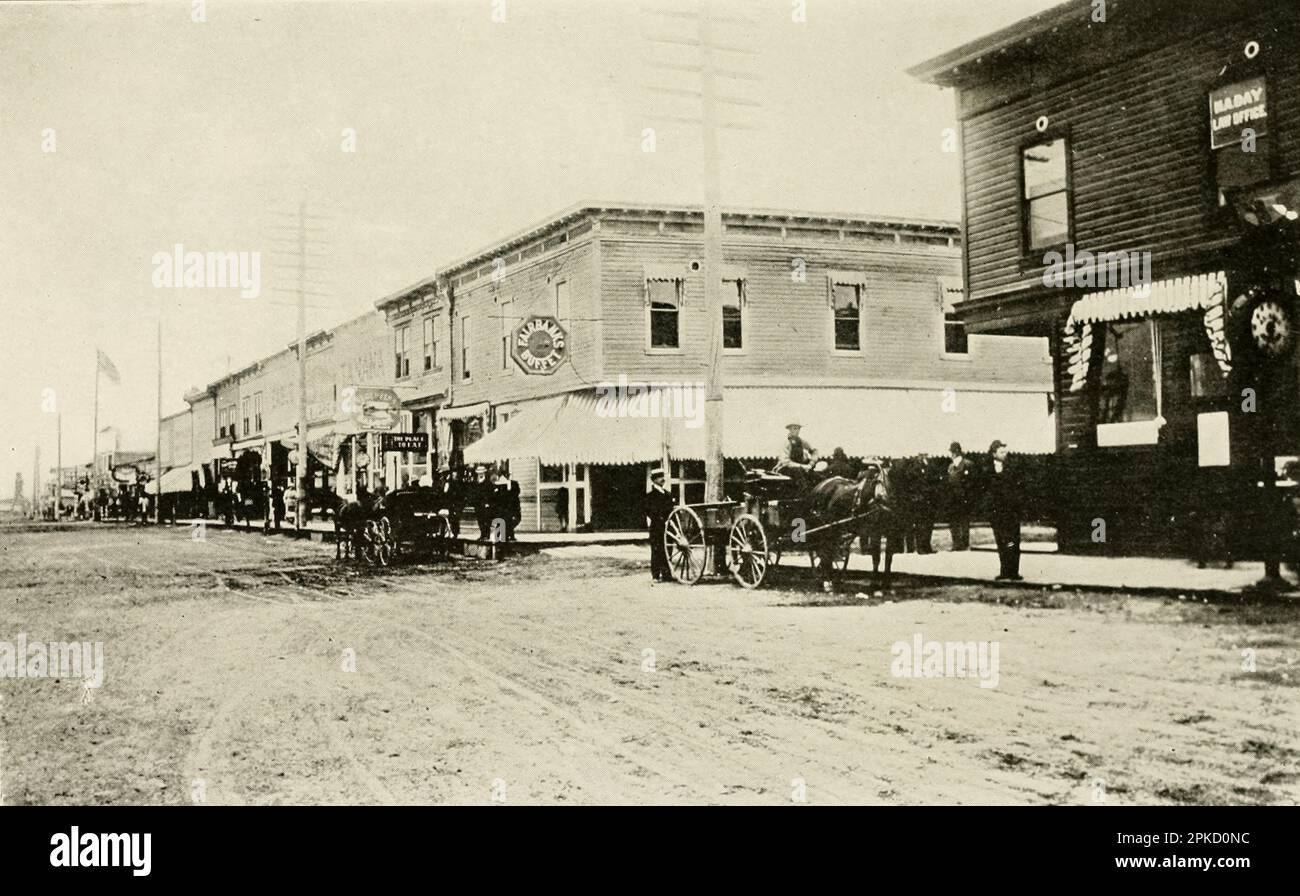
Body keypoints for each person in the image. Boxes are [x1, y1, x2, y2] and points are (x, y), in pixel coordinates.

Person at [987, 440, 1023, 581]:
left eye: (1005, 452)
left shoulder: (1012, 467)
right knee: (1001, 541)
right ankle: (1004, 571)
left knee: (1013, 541)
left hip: (1011, 512)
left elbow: (1018, 487)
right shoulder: (987, 469)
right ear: (994, 453)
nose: (1005, 454)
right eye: (1001, 452)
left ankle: (1014, 571)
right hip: (997, 512)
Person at [645, 467, 675, 582]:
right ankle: (656, 575)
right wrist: (662, 520)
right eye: (659, 477)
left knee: (667, 549)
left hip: (668, 527)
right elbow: (650, 511)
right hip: (657, 527)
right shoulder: (650, 496)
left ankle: (666, 574)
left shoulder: (668, 494)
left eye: (663, 476)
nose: (662, 479)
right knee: (657, 550)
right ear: (653, 480)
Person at [947, 441, 972, 551]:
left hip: (964, 498)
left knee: (964, 521)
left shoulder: (967, 464)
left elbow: (971, 483)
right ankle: (956, 543)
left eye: (952, 452)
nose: (951, 454)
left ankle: (964, 543)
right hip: (953, 499)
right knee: (953, 521)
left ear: (957, 452)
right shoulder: (951, 466)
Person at [473, 465, 494, 541]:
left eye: (482, 473)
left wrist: (488, 502)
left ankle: (487, 535)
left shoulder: (488, 483)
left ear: (484, 473)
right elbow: (473, 493)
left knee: (487, 520)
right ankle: (482, 534)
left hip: (486, 505)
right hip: (478, 505)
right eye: (479, 473)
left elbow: (491, 494)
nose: (480, 474)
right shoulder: (476, 483)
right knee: (480, 520)